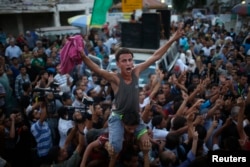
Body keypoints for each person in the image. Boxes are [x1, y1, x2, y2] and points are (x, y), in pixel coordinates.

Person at [80, 23, 184, 165]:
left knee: (146, 145)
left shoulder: (136, 71)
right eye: (124, 61)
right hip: (118, 117)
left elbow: (156, 56)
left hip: (135, 117)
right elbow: (97, 69)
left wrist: (172, 39)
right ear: (118, 64)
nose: (129, 63)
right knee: (115, 149)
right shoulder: (114, 78)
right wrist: (83, 56)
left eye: (130, 60)